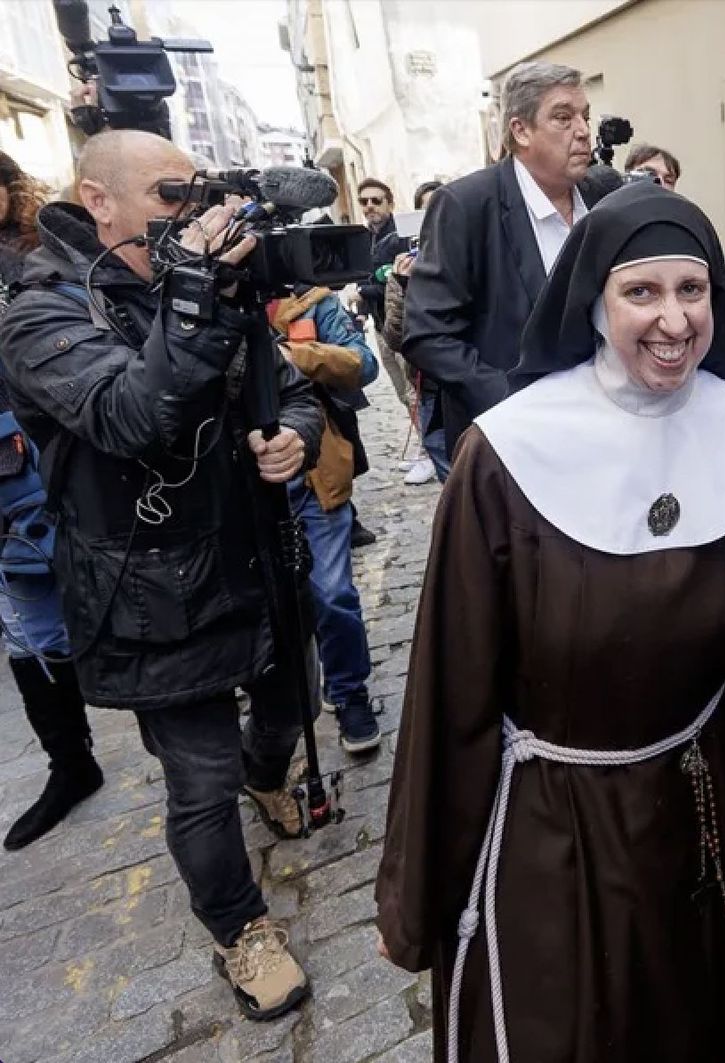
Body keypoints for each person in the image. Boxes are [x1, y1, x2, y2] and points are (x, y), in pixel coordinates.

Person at [376, 182, 725, 1063]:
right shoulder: (509, 454)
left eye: (693, 290)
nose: (673, 320)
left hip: (712, 807)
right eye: (642, 292)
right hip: (562, 823)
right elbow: (452, 693)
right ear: (594, 301)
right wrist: (418, 896)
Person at [0, 130, 321, 1019]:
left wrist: (301, 434)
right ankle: (240, 925)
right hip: (150, 590)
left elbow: (288, 383)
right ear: (97, 201)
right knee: (201, 780)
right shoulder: (40, 313)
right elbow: (131, 413)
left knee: (293, 710)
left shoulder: (208, 282)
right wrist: (197, 287)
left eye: (195, 196)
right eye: (169, 198)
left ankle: (274, 776)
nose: (192, 216)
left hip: (258, 553)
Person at [403, 61, 597, 457]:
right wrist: (515, 401)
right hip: (510, 437)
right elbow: (428, 335)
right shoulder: (465, 205)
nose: (582, 131)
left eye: (585, 116)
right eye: (563, 118)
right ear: (520, 130)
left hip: (601, 426)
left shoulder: (603, 197)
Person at [0, 152, 102, 852]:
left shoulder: (37, 264)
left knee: (89, 605)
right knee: (25, 632)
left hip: (45, 471)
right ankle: (72, 762)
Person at [268, 286, 383, 754]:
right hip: (240, 480)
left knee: (332, 592)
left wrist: (292, 356)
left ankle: (349, 691)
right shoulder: (188, 295)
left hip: (317, 470)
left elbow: (363, 363)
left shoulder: (314, 301)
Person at [382, 180, 451, 485]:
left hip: (468, 386)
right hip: (429, 389)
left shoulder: (477, 256)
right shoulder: (405, 270)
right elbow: (395, 337)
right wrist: (406, 286)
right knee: (446, 467)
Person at [355, 176, 412, 409]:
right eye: (364, 201)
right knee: (403, 394)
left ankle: (426, 445)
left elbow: (397, 283)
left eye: (376, 200)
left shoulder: (402, 236)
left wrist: (363, 293)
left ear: (389, 204)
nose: (370, 206)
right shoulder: (364, 238)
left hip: (404, 327)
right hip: (381, 327)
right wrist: (362, 312)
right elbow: (364, 276)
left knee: (413, 392)